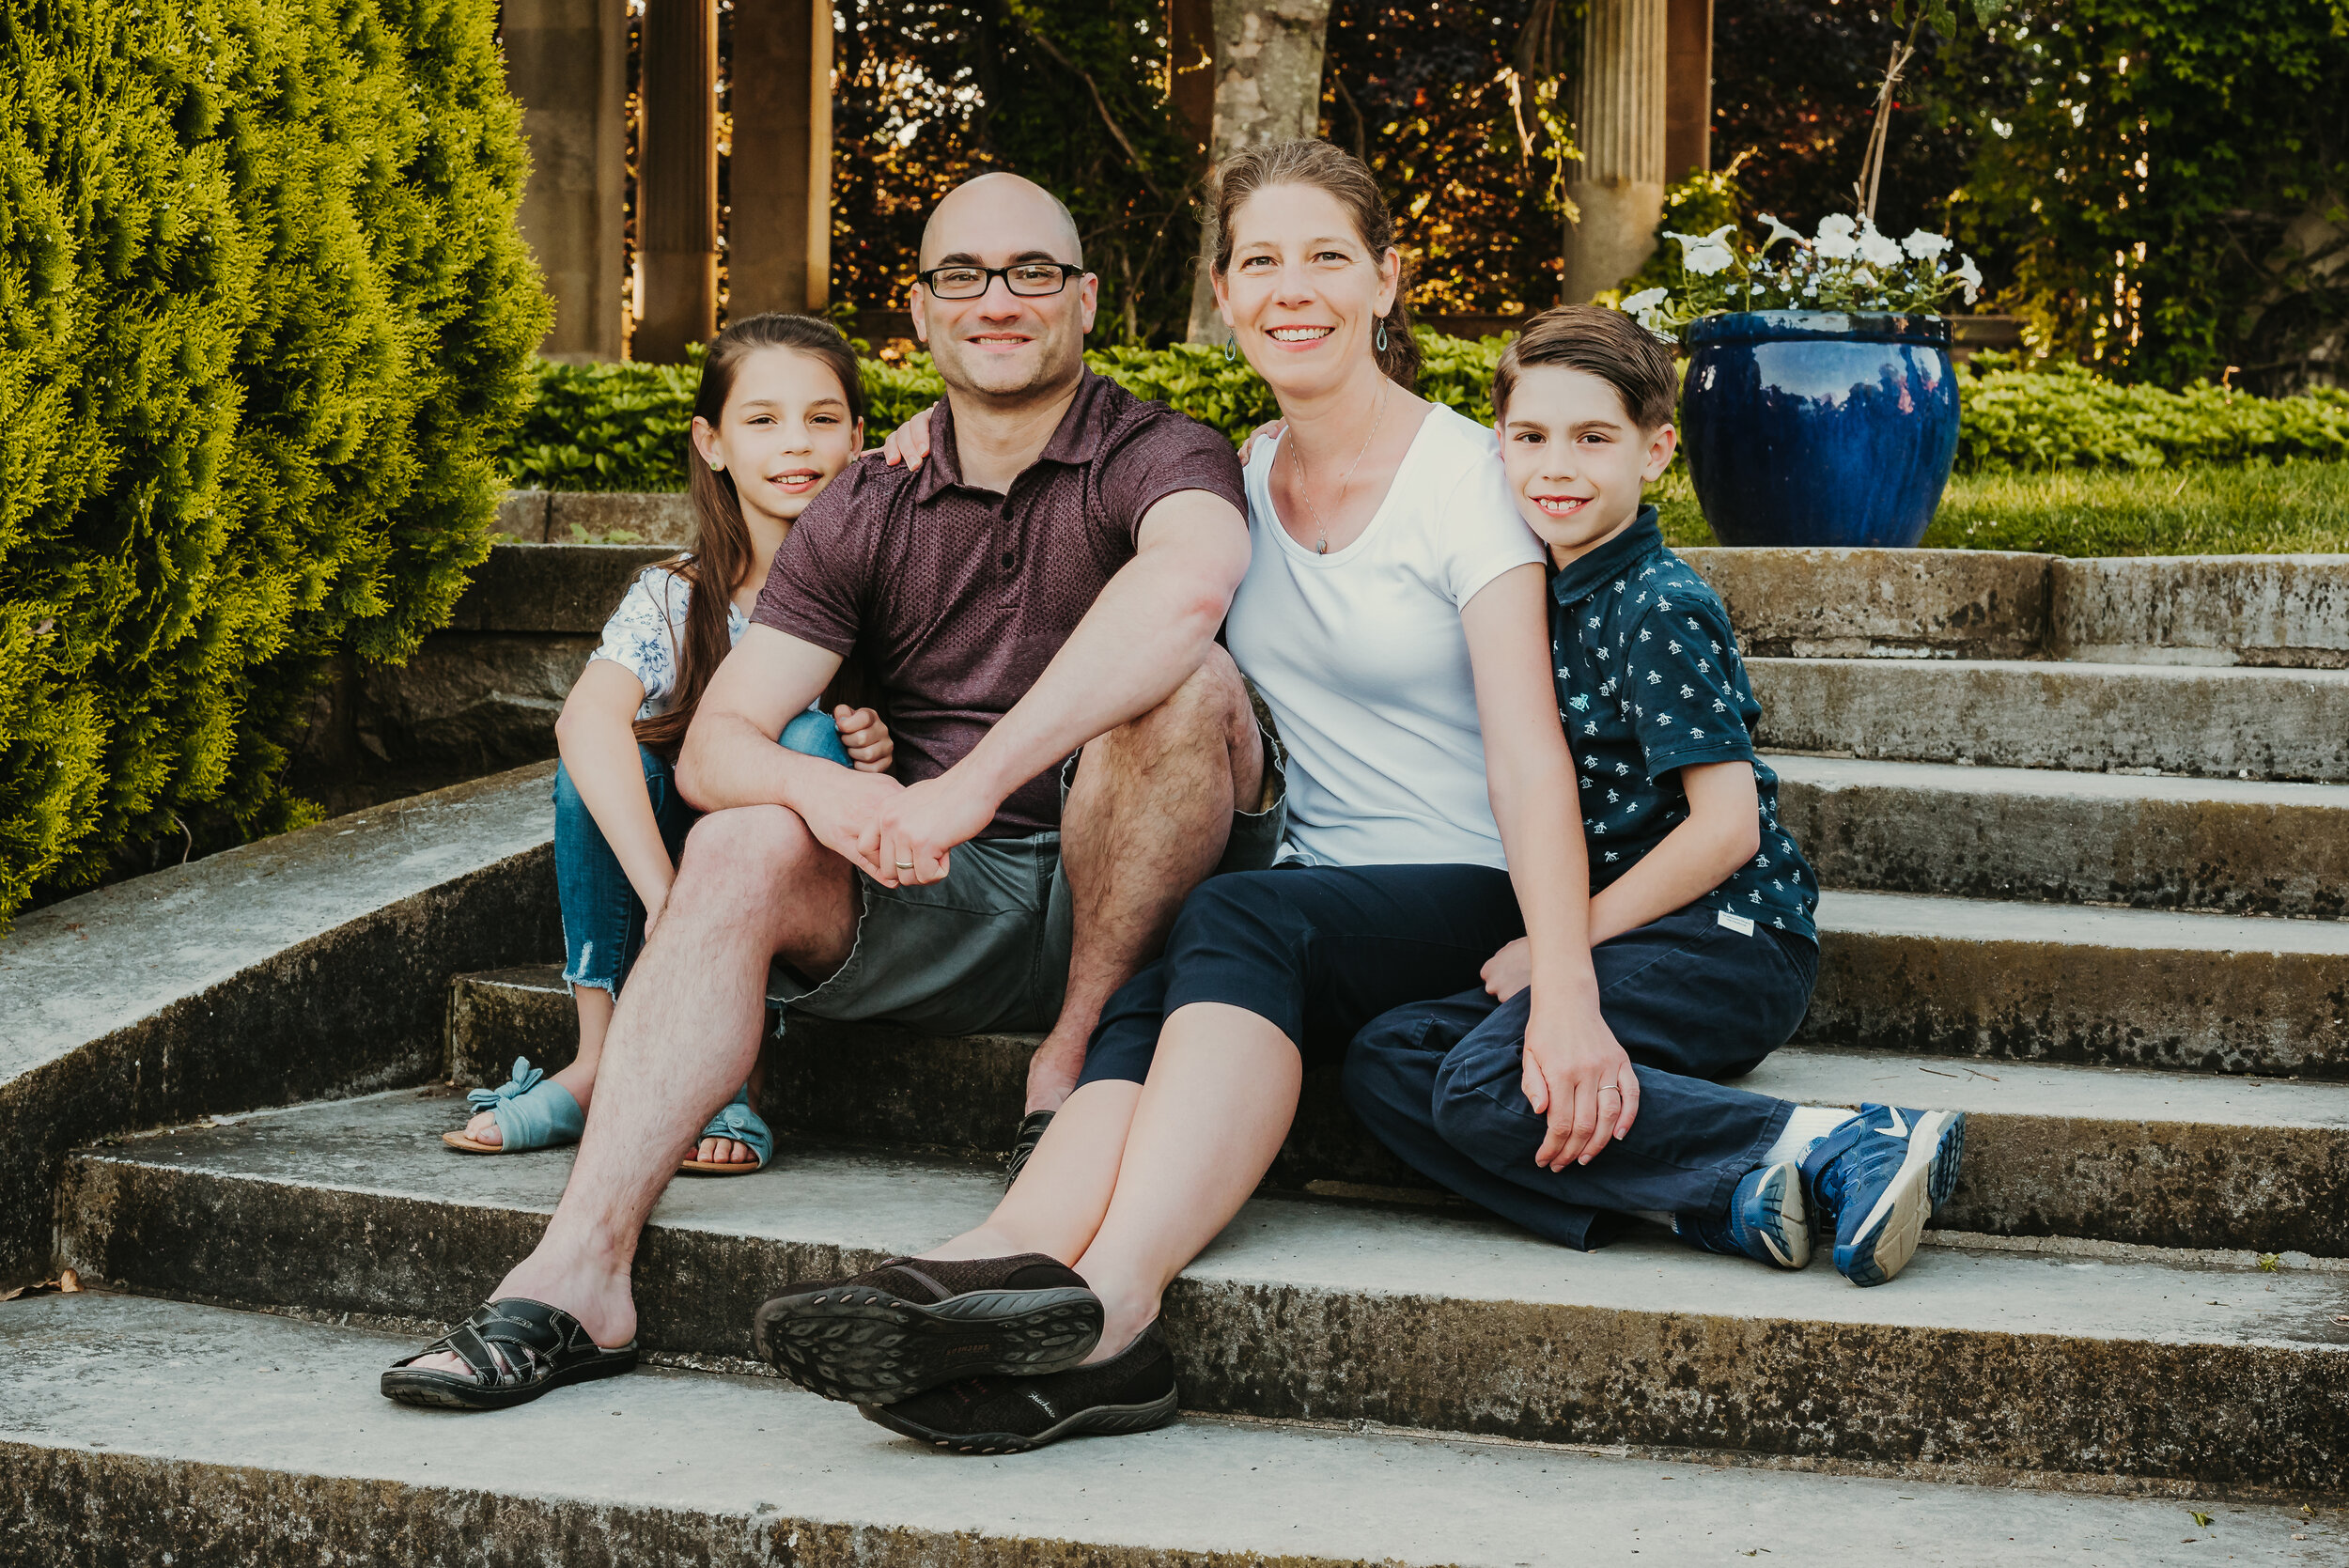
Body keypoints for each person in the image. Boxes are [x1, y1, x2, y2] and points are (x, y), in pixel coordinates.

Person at [754, 140, 1624, 1455]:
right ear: (1223, 296)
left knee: (1234, 924)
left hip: (1462, 879)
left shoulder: (1469, 479)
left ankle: (1111, 1309)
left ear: (1388, 280)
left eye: (1328, 256)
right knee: (1177, 955)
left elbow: (1528, 752)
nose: (1295, 289)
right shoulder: (1238, 473)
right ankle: (1000, 1255)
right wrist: (928, 432)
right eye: (1261, 261)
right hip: (1308, 887)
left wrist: (1566, 986)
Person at [381, 171, 1279, 1412]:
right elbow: (717, 742)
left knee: (1190, 686)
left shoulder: (1161, 451)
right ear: (919, 311)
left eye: (1031, 273)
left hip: (1132, 891)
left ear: (1082, 300)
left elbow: (1188, 594)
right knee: (748, 831)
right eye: (963, 274)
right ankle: (578, 1271)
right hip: (931, 890)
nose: (998, 300)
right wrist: (838, 800)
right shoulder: (869, 496)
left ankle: (1064, 1066)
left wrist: (964, 788)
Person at [1341, 305, 1965, 1286]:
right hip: (1626, 939)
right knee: (1385, 1058)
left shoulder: (1656, 607)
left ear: (1656, 450)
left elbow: (1724, 830)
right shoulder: (1524, 595)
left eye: (1593, 439)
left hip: (1724, 940)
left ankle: (1834, 1140)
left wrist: (1562, 944)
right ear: (1495, 448)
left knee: (1479, 1084)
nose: (1557, 466)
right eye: (1529, 437)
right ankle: (1719, 1196)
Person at [443, 313, 894, 1173]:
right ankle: (600, 1058)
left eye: (823, 418)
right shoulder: (676, 595)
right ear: (712, 441)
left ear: (859, 439)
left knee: (801, 733)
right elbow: (584, 720)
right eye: (761, 420)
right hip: (685, 884)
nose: (795, 443)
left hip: (828, 902)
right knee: (599, 768)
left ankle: (734, 1070)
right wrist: (671, 900)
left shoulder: (890, 582)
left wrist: (881, 743)